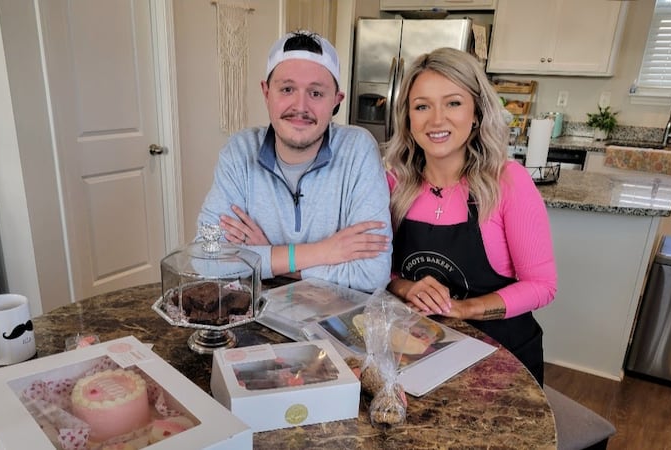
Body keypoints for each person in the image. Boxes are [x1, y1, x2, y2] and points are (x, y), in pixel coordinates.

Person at [384, 47, 557, 385]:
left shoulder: (508, 182)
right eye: (422, 106)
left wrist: (463, 309)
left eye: (453, 103)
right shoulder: (394, 183)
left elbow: (543, 286)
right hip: (420, 351)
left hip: (502, 360)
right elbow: (381, 270)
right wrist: (406, 287)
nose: (436, 120)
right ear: (408, 117)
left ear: (476, 112)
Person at [197, 30, 392, 293]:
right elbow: (206, 257)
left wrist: (266, 256)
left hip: (334, 323)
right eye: (287, 89)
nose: (300, 106)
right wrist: (322, 252)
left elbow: (372, 275)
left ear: (337, 100)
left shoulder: (358, 149)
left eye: (316, 93)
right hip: (255, 318)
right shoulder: (239, 151)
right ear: (266, 92)